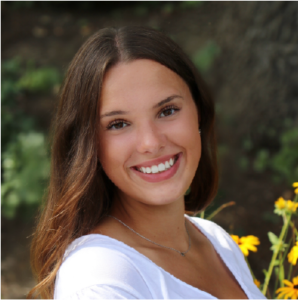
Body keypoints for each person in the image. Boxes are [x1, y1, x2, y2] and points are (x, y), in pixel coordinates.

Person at [28, 26, 266, 300]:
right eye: (118, 124)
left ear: (198, 112)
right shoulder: (102, 280)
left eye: (167, 111)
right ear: (89, 145)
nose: (150, 143)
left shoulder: (217, 242)